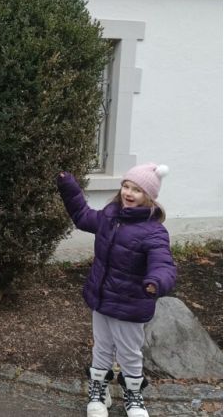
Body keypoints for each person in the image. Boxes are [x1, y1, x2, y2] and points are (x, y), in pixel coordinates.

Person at [57, 163, 176, 417]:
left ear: (149, 196)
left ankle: (133, 397)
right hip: (101, 299)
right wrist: (69, 187)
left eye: (137, 190)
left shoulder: (154, 231)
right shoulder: (109, 217)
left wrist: (156, 281)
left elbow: (163, 263)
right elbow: (82, 215)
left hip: (131, 304)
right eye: (126, 186)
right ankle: (99, 392)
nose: (128, 193)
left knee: (130, 353)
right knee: (101, 347)